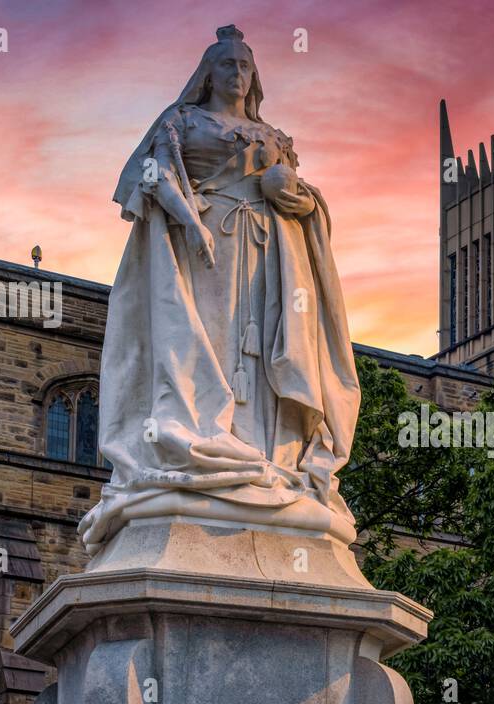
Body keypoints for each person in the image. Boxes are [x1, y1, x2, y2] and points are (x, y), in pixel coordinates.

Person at [80, 25, 360, 554]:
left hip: (270, 257)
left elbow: (302, 197)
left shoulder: (275, 137)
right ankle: (208, 443)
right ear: (209, 73)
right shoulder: (181, 120)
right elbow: (151, 173)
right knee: (204, 342)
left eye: (245, 67)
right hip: (205, 247)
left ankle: (266, 458)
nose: (237, 75)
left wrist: (300, 201)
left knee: (262, 358)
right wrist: (189, 221)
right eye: (228, 65)